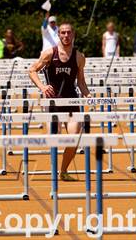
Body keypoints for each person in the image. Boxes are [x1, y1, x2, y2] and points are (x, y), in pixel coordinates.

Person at [29, 22, 92, 181]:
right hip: (52, 102)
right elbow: (32, 71)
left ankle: (63, 171)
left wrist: (88, 95)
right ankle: (53, 167)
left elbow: (81, 82)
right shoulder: (49, 53)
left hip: (71, 102)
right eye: (63, 33)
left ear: (73, 34)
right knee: (54, 137)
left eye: (68, 33)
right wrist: (42, 87)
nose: (66, 35)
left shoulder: (79, 57)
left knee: (74, 137)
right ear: (59, 35)